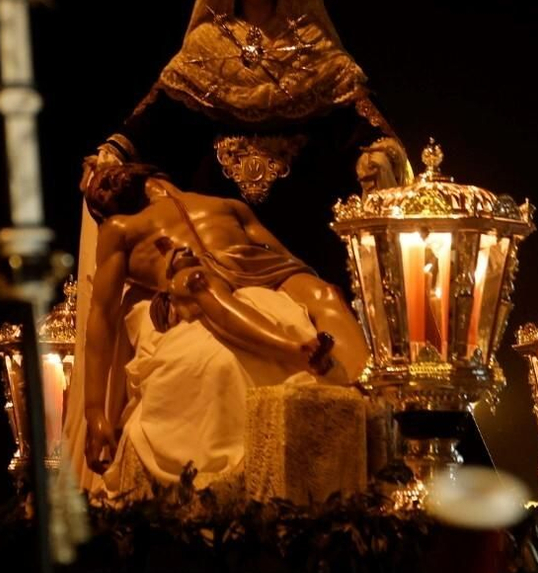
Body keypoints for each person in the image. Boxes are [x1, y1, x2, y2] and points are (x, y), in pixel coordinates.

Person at [80, 0, 408, 288]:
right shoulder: (206, 44)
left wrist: (378, 150)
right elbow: (159, 112)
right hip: (217, 209)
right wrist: (116, 148)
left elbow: (355, 111)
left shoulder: (314, 48)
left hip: (299, 208)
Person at [77, 162, 370, 488]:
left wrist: (304, 283)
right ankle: (297, 351)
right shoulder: (120, 228)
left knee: (324, 292)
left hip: (251, 265)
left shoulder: (229, 206)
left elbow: (285, 259)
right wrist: (94, 411)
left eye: (105, 177)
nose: (103, 181)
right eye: (98, 192)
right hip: (188, 275)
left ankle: (364, 390)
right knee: (198, 281)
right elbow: (101, 314)